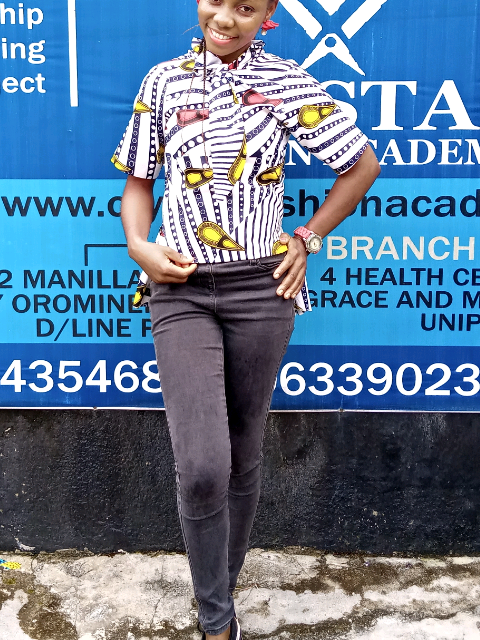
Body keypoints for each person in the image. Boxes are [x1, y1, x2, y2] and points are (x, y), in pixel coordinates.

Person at [112, 1, 380, 638]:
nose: (225, 17)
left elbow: (361, 165)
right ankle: (217, 620)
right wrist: (139, 247)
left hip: (262, 290)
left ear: (268, 14)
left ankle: (218, 603)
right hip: (179, 289)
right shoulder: (163, 82)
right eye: (216, 0)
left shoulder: (286, 81)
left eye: (245, 6)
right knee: (204, 465)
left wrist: (308, 237)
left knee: (242, 446)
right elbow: (138, 184)